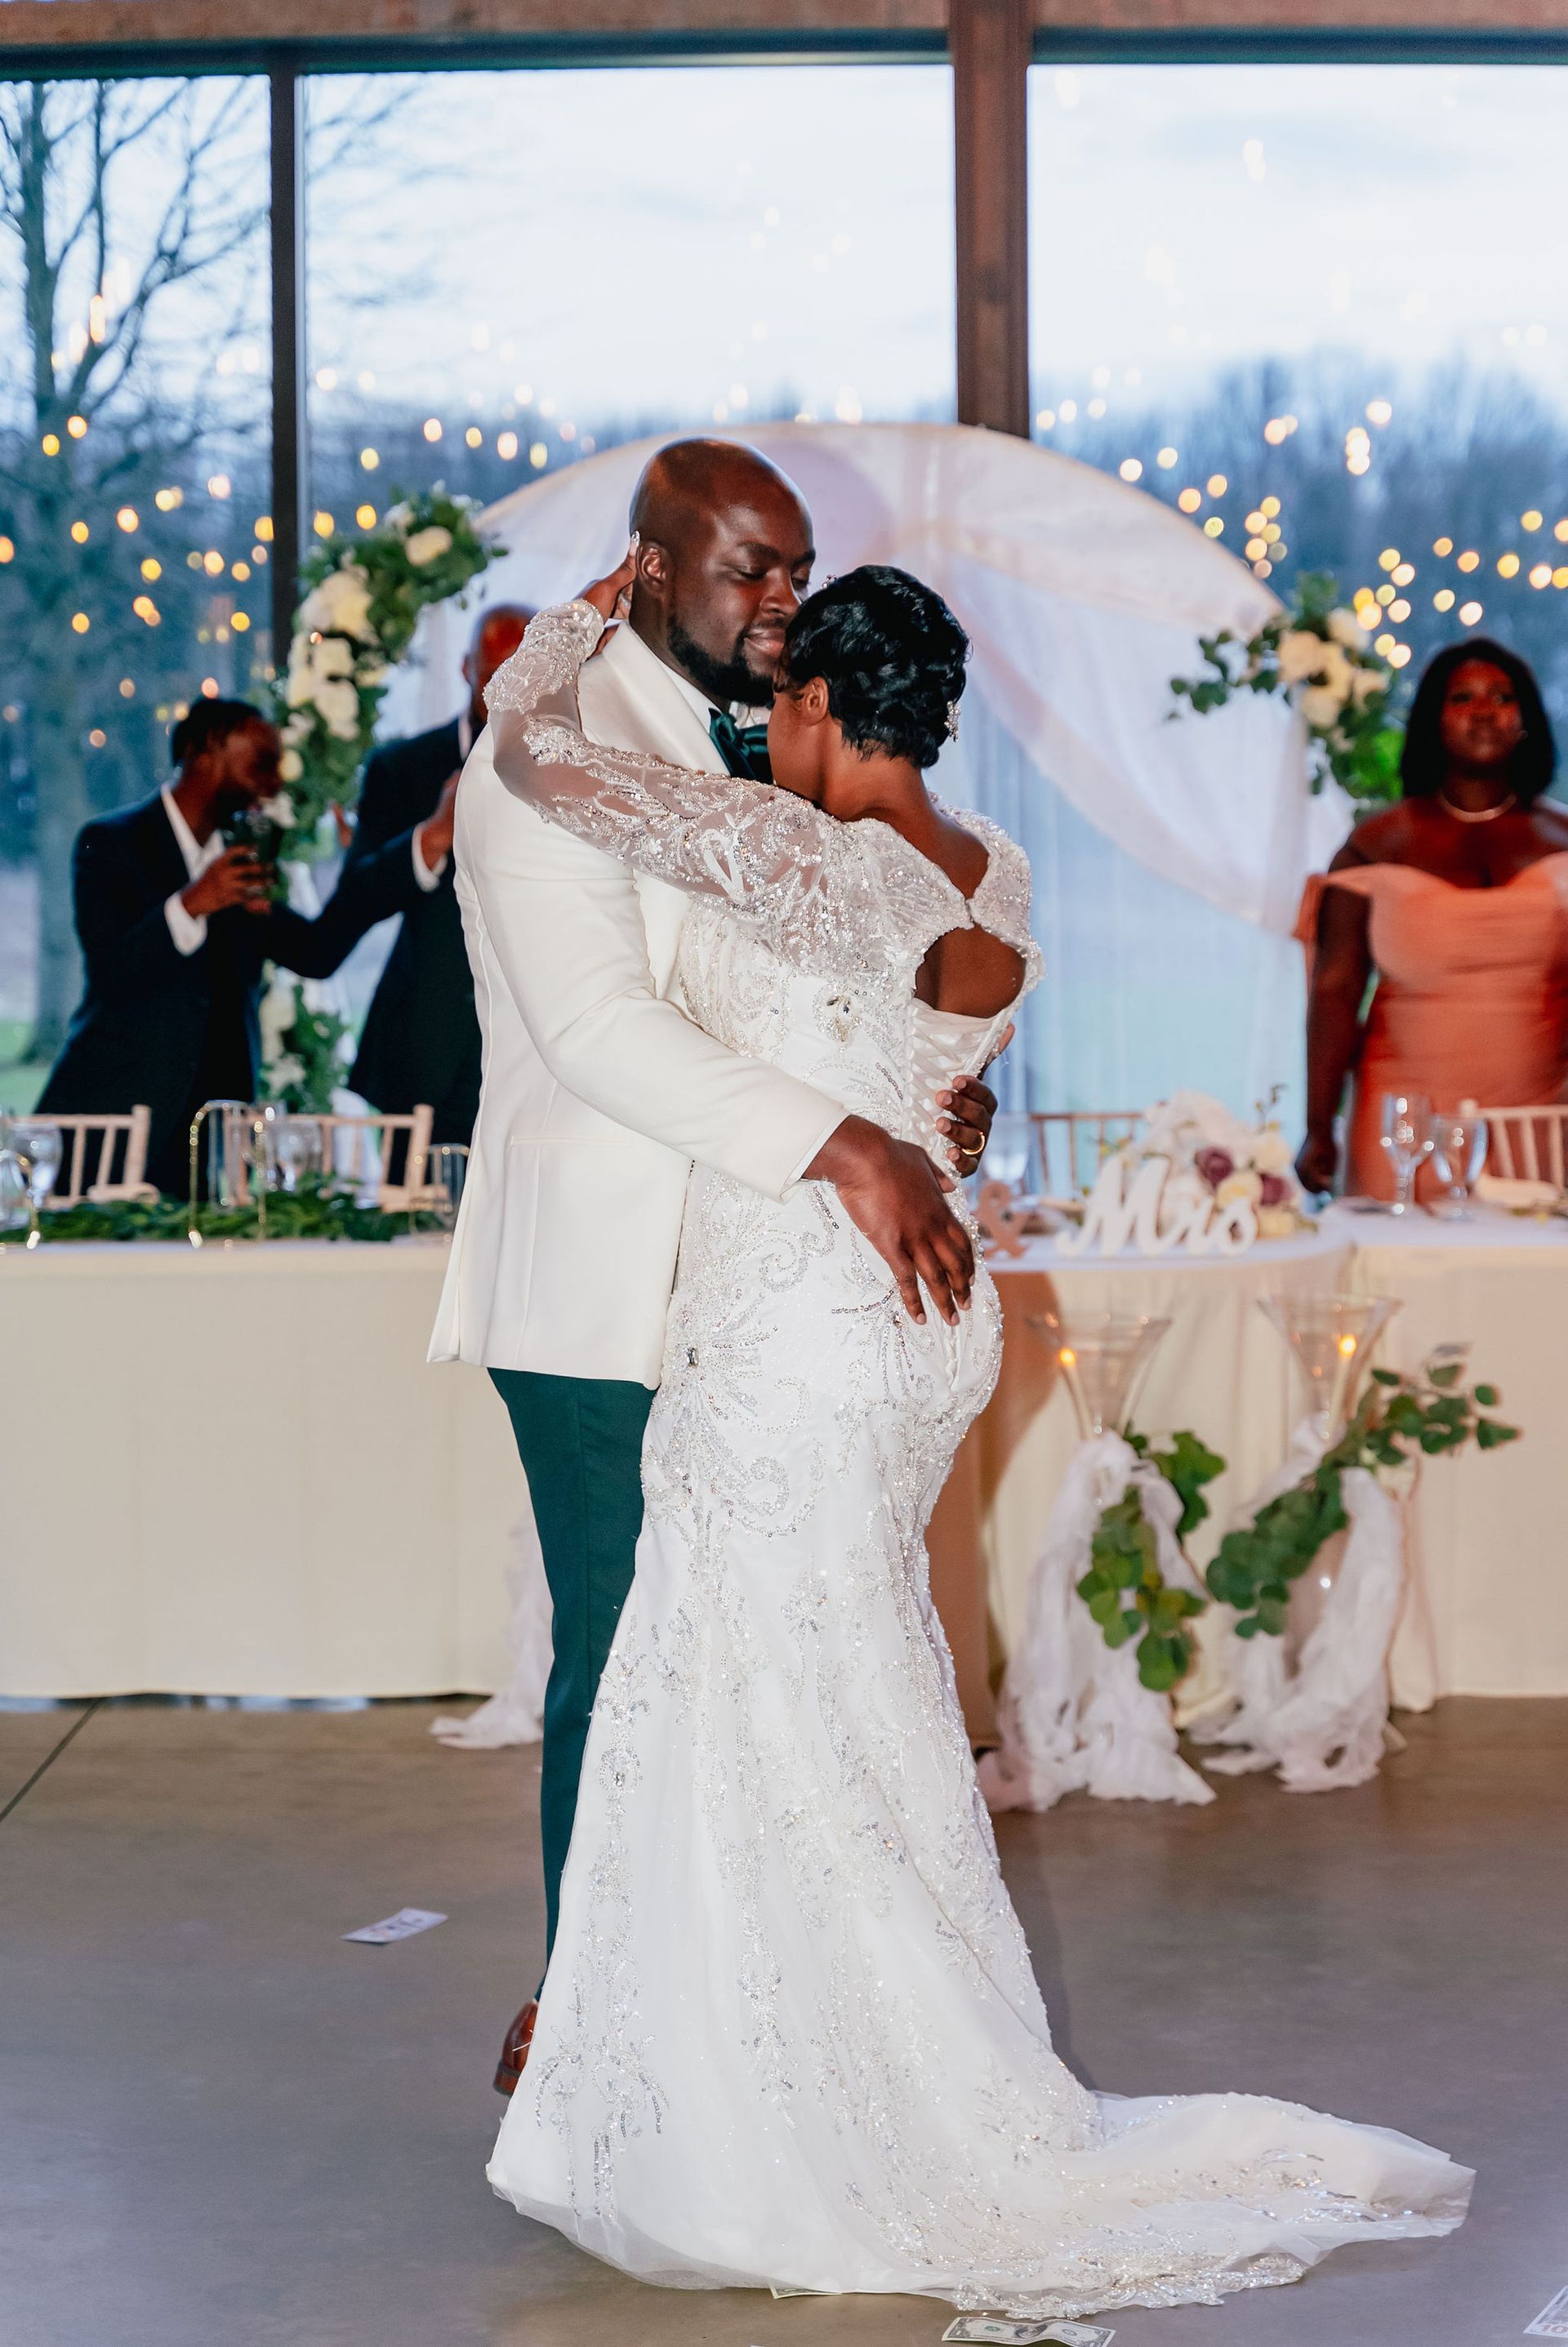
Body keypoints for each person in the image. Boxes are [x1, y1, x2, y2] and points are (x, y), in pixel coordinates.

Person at [481, 565, 1470, 2316]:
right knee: (840, 1690)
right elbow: (932, 1053)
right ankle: (852, 2063)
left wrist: (574, 625)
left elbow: (540, 765)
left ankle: (794, 2115)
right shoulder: (992, 870)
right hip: (920, 1327)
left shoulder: (792, 856)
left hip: (796, 1321)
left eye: (783, 700)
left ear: (817, 708)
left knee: (746, 1688)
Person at [427, 440, 999, 2095]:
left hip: (757, 1281)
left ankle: (749, 2021)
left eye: (796, 570)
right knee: (625, 1652)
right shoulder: (543, 758)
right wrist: (852, 1147)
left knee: (755, 1656)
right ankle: (596, 2026)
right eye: (749, 565)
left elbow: (855, 966)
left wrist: (928, 1095)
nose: (779, 602)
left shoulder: (769, 744)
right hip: (606, 1275)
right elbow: (599, 1026)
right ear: (656, 567)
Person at [38, 696, 451, 1195]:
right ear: (203, 754)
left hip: (211, 1141)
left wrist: (418, 846)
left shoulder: (242, 860)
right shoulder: (108, 844)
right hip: (111, 1128)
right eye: (261, 763)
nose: (275, 782)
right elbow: (112, 976)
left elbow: (316, 951)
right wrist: (193, 903)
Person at [1297, 639, 1568, 1200]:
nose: (1484, 710)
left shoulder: (1562, 840)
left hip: (1539, 1119)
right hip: (1404, 1121)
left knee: (1531, 1283)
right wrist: (1320, 1126)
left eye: (1502, 697)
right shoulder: (1374, 844)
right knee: (1405, 1275)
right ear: (1433, 722)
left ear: (1526, 721)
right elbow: (1336, 991)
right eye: (1462, 698)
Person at [341, 604, 532, 1147]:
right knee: (408, 1227)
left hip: (533, 1052)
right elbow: (354, 900)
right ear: (467, 667)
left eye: (525, 672)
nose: (508, 689)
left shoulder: (578, 769)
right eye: (496, 672)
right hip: (421, 1048)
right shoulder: (402, 769)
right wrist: (431, 837)